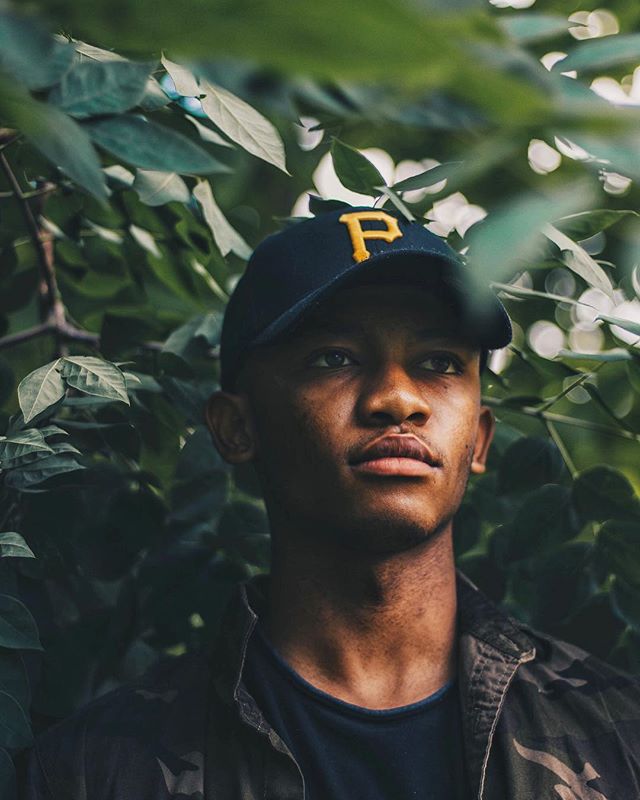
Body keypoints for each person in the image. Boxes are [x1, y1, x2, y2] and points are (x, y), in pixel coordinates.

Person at [20, 207, 640, 799]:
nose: (398, 399)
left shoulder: (621, 736)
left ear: (477, 438)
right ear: (236, 428)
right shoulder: (91, 773)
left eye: (439, 362)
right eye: (334, 358)